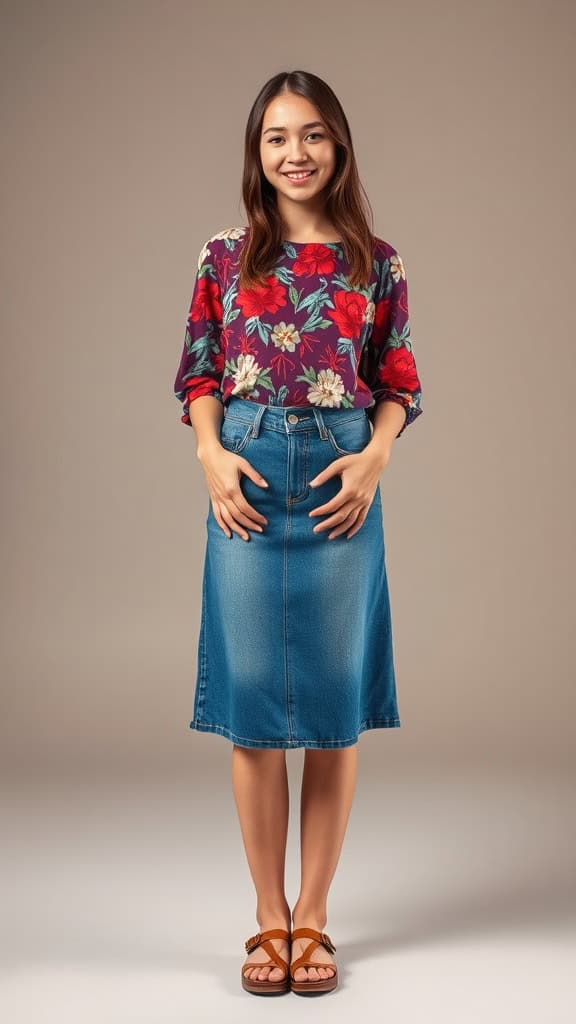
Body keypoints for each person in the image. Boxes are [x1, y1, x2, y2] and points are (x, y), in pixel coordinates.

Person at [173, 70, 423, 997]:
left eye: (313, 135)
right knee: (249, 705)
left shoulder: (377, 262)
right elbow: (197, 369)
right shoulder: (220, 258)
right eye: (277, 137)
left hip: (336, 479)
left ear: (339, 146)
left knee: (326, 708)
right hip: (244, 471)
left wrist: (376, 456)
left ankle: (314, 915)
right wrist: (210, 454)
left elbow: (398, 377)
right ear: (257, 153)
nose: (296, 153)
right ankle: (266, 917)